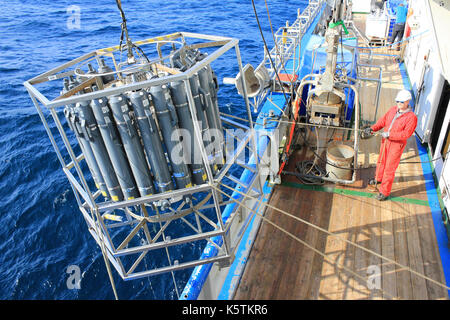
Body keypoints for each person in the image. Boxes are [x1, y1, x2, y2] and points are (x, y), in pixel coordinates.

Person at [364, 89, 418, 201]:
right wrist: (372, 129)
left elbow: (406, 134)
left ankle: (384, 192)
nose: (398, 103)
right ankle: (378, 178)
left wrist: (390, 134)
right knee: (381, 161)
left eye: (401, 102)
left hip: (396, 145)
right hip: (385, 142)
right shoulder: (393, 109)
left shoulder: (411, 118)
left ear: (408, 102)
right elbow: (383, 121)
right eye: (397, 101)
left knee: (389, 168)